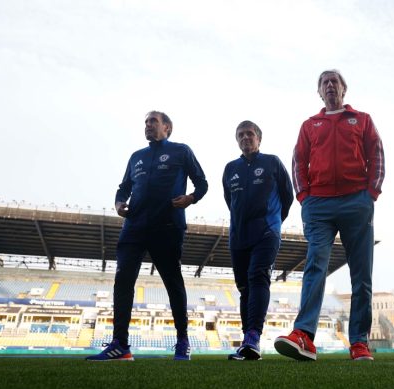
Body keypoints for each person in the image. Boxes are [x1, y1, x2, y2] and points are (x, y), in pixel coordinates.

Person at [274, 69, 385, 361]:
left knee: (361, 274)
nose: (330, 85)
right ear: (319, 92)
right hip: (319, 205)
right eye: (324, 82)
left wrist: (371, 193)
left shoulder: (362, 120)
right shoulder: (310, 125)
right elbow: (298, 160)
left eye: (334, 81)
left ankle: (359, 342)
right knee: (315, 265)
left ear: (344, 89)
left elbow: (376, 154)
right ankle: (304, 336)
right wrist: (304, 198)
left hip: (356, 202)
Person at [87, 110, 208, 361]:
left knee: (172, 281)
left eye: (153, 121)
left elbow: (202, 183)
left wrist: (190, 198)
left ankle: (182, 341)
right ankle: (120, 344)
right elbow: (123, 189)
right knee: (123, 281)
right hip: (134, 227)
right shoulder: (136, 157)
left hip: (167, 226)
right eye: (146, 122)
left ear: (167, 128)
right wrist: (119, 204)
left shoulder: (181, 151)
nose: (148, 126)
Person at [222, 121, 293, 361]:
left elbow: (287, 196)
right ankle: (248, 342)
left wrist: (274, 221)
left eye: (249, 134)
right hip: (238, 236)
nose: (245, 138)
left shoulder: (272, 162)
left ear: (259, 138)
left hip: (267, 232)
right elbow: (230, 201)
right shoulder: (230, 168)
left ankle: (253, 336)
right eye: (240, 135)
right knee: (244, 289)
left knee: (258, 276)